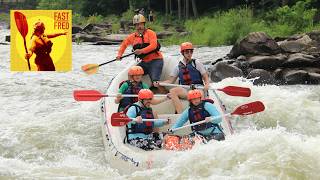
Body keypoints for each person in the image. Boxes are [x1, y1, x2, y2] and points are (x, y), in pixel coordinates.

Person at [154, 42, 210, 113]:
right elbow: (170, 81)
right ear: (182, 53)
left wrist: (207, 84)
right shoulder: (177, 67)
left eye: (191, 51)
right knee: (173, 91)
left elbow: (205, 76)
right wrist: (160, 83)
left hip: (198, 88)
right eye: (187, 52)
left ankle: (202, 113)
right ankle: (180, 114)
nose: (189, 54)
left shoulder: (197, 63)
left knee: (199, 94)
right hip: (185, 88)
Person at [116, 14, 164, 92]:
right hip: (144, 62)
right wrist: (119, 55)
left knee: (155, 83)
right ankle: (132, 91)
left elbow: (154, 46)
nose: (139, 27)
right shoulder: (132, 37)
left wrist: (141, 51)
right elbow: (123, 45)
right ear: (135, 26)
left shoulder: (151, 33)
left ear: (144, 24)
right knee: (131, 73)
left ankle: (165, 94)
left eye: (141, 24)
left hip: (156, 61)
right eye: (137, 25)